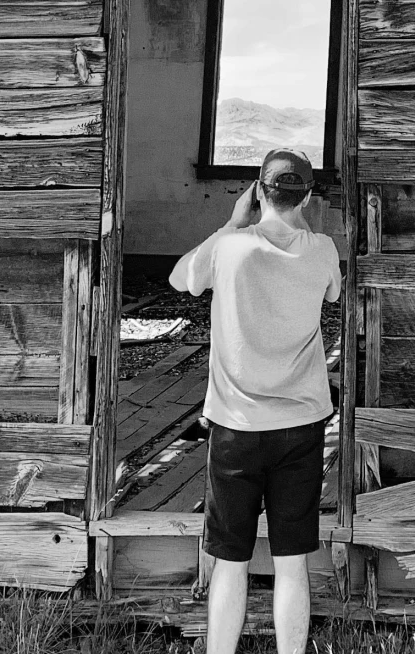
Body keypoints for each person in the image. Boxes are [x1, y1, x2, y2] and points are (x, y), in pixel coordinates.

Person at [167, 146, 341, 654]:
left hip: (235, 429)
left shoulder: (230, 249)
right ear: (306, 196)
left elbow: (180, 277)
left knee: (230, 562)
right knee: (292, 564)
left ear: (257, 191)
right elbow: (332, 294)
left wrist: (229, 223)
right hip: (300, 428)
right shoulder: (323, 250)